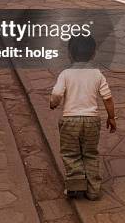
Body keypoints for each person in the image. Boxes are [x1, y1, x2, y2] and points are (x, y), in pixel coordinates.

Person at [50, 34, 116, 200]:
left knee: (71, 154)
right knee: (90, 154)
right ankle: (93, 191)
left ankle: (75, 187)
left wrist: (53, 103)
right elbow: (107, 97)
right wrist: (111, 117)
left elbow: (57, 93)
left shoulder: (65, 74)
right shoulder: (97, 74)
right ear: (93, 54)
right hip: (92, 121)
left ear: (69, 54)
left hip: (70, 120)